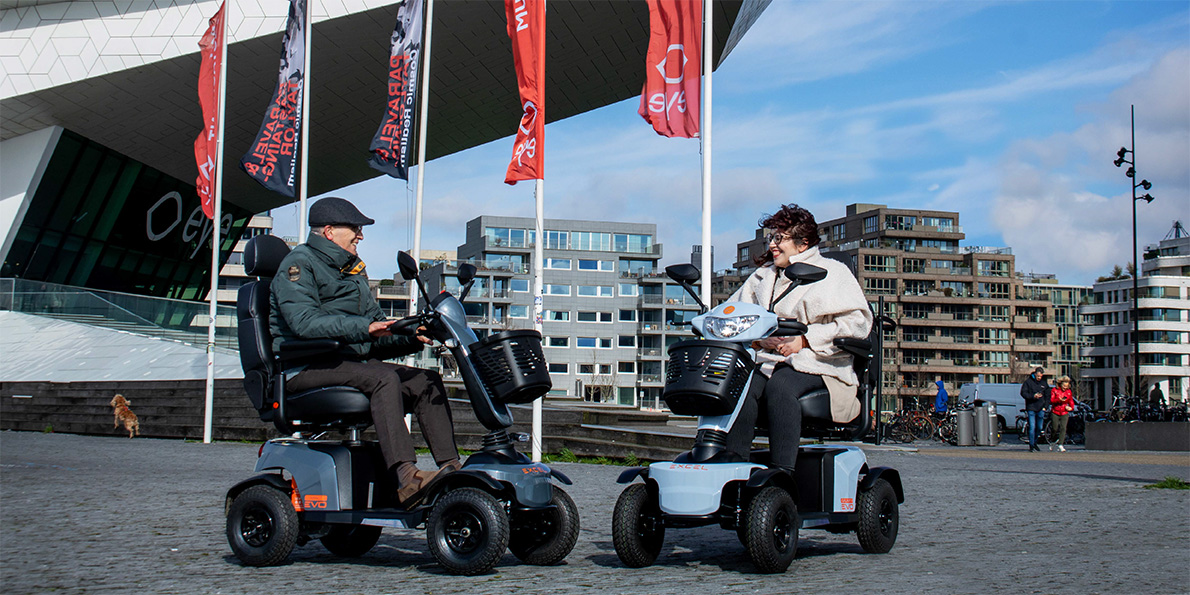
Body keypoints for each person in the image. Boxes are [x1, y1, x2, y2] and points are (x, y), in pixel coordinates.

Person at [270, 196, 460, 503]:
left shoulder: (352, 270)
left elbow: (375, 330)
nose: (361, 235)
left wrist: (412, 335)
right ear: (329, 231)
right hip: (303, 366)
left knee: (425, 381)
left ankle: (453, 472)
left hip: (347, 363)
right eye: (355, 229)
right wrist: (365, 328)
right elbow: (304, 323)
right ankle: (407, 478)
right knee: (383, 378)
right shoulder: (299, 264)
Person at [725, 204, 873, 472]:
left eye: (779, 238)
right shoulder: (762, 276)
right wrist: (759, 340)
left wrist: (805, 340)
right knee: (739, 387)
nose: (772, 244)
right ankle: (732, 471)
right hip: (767, 361)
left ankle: (782, 476)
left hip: (821, 363)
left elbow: (858, 324)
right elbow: (733, 315)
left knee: (781, 386)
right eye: (771, 238)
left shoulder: (832, 272)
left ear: (803, 243)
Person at [1020, 367, 1050, 452]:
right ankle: (1031, 445)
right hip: (1031, 407)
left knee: (1039, 427)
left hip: (1041, 408)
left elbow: (1048, 395)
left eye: (1040, 376)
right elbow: (1023, 393)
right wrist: (1033, 396)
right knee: (1032, 427)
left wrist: (1045, 407)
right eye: (1038, 376)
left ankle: (1035, 441)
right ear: (1035, 374)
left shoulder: (1044, 383)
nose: (1039, 378)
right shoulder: (1028, 382)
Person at [1049, 375, 1076, 452]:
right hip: (1055, 411)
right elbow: (1051, 400)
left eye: (1066, 386)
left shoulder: (1068, 392)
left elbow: (1071, 401)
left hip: (1064, 412)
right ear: (1060, 384)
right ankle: (1052, 440)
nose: (1065, 387)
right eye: (1064, 386)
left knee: (1063, 428)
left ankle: (1060, 444)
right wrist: (1059, 400)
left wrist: (1071, 408)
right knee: (1054, 428)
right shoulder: (1055, 390)